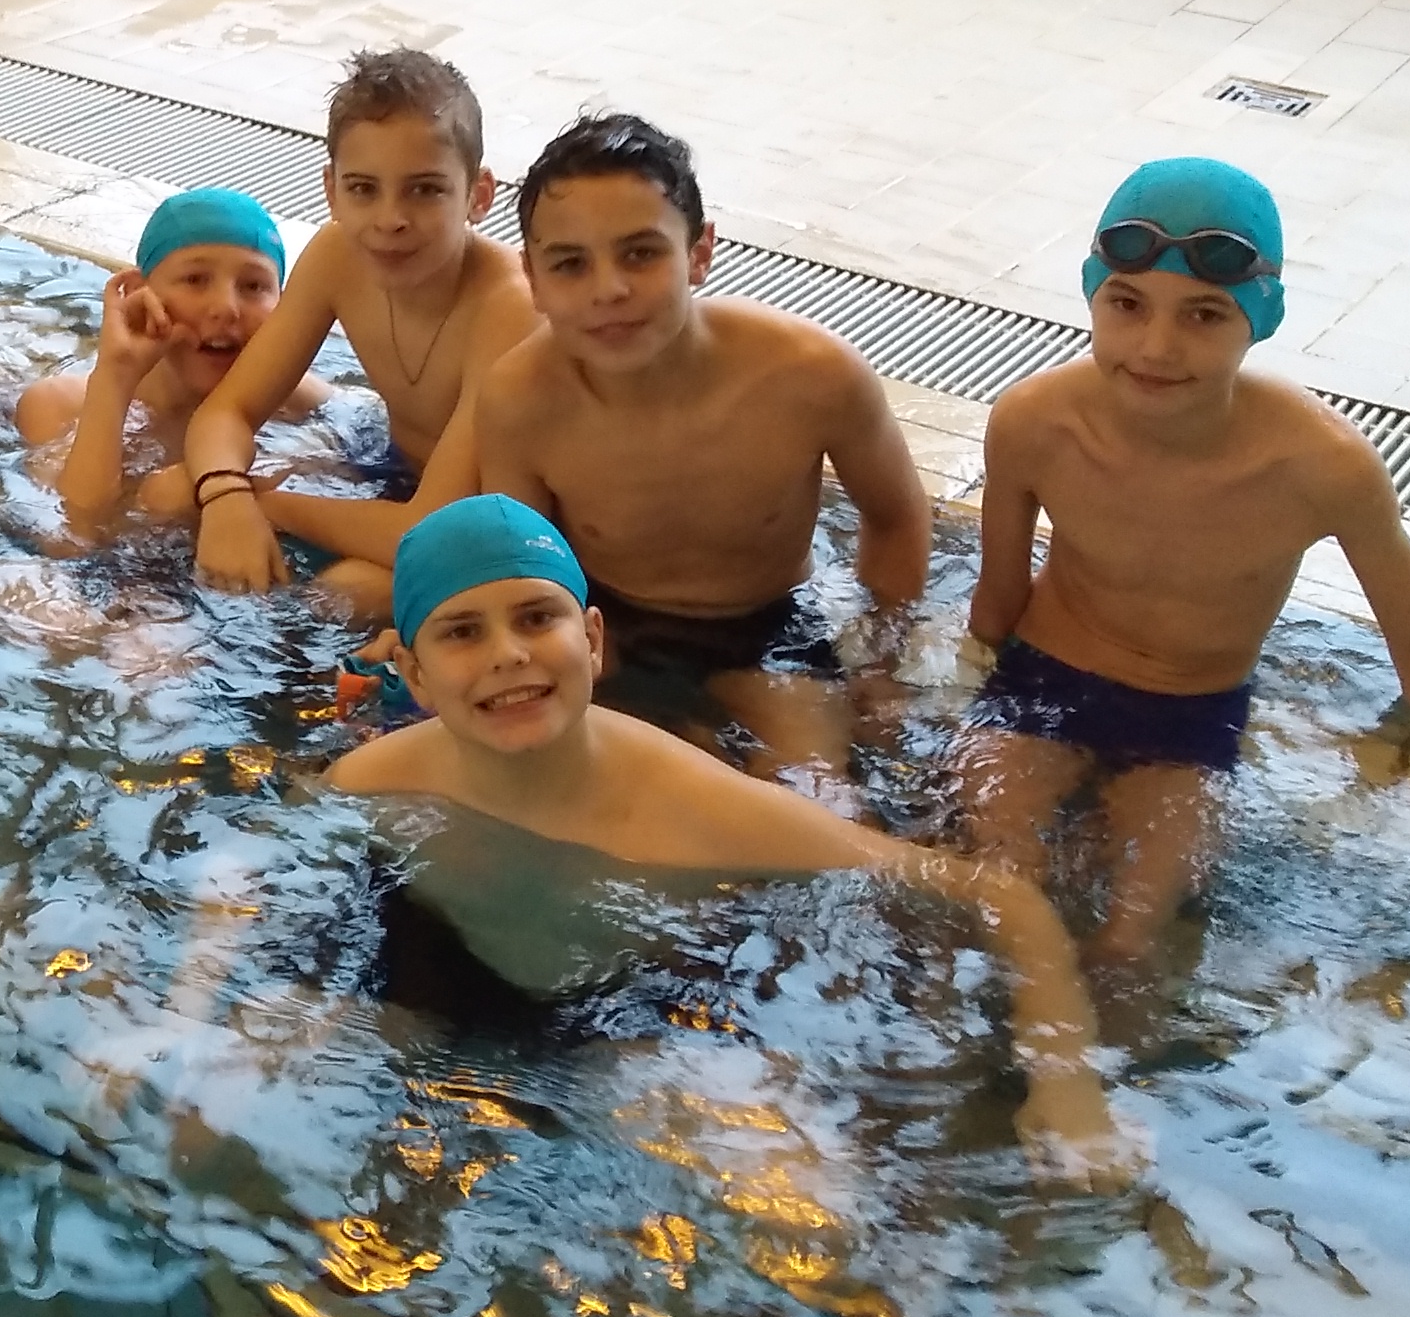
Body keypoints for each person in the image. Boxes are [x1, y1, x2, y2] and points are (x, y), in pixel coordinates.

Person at [335, 498, 1127, 1189]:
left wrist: (1067, 1082)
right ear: (414, 672)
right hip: (430, 986)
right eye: (462, 632)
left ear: (594, 640)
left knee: (810, 1212)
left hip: (632, 1021)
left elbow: (997, 894)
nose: (508, 653)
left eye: (538, 618)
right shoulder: (373, 781)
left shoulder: (699, 807)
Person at [955, 158, 1410, 967]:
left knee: (1134, 939)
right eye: (1127, 304)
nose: (1156, 347)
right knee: (998, 895)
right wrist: (944, 694)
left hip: (1191, 718)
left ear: (1260, 320)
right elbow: (995, 607)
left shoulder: (1323, 467)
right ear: (1092, 295)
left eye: (1204, 315)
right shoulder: (1035, 421)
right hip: (1042, 685)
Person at [429, 115, 927, 792]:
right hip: (611, 629)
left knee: (815, 798)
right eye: (570, 264)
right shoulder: (520, 400)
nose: (609, 290)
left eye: (640, 254)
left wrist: (881, 665)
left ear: (699, 252)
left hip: (774, 630)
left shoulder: (810, 375)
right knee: (592, 793)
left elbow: (896, 516)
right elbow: (525, 573)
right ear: (534, 279)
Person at [185, 48, 536, 590]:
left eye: (425, 190)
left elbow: (433, 530)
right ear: (332, 190)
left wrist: (267, 505)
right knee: (173, 492)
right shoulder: (337, 257)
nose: (390, 219)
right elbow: (226, 411)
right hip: (392, 464)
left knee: (351, 590)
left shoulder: (510, 307)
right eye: (363, 189)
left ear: (479, 195)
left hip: (481, 528)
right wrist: (225, 495)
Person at [18, 189, 325, 544]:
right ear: (138, 291)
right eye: (195, 280)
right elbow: (74, 537)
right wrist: (114, 379)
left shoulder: (296, 400)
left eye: (254, 286)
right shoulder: (60, 404)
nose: (226, 307)